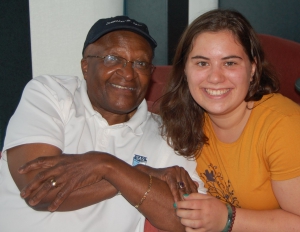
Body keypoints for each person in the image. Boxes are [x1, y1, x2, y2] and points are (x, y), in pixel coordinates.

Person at [0, 15, 206, 232]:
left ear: (151, 73)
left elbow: (186, 221)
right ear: (86, 67)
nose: (127, 73)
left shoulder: (168, 134)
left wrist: (109, 167)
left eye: (140, 63)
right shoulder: (50, 94)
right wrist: (140, 174)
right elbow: (38, 192)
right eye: (112, 59)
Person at [159, 9, 300, 231]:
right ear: (185, 70)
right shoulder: (183, 119)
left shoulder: (284, 126)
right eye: (202, 63)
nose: (215, 77)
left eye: (230, 63)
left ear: (253, 68)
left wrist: (228, 219)